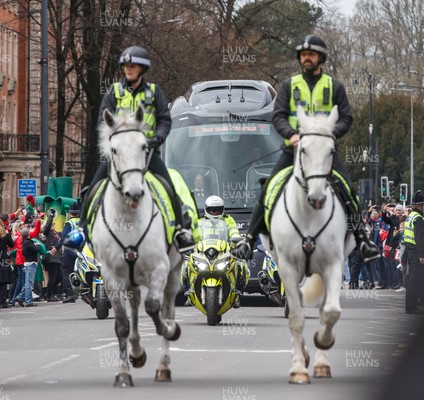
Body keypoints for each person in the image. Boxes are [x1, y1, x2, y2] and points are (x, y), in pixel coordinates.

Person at [234, 35, 379, 262]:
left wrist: (332, 133)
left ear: (320, 57)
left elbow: (346, 117)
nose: (306, 59)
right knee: (269, 187)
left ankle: (362, 239)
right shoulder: (288, 86)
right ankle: (249, 238)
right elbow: (278, 116)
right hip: (294, 150)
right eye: (303, 55)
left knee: (348, 189)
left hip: (322, 151)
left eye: (310, 55)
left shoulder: (334, 87)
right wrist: (290, 134)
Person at [63, 46, 195, 253]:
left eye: (132, 66)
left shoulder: (154, 93)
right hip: (120, 156)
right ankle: (81, 230)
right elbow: (102, 121)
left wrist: (157, 138)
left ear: (142, 69)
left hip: (147, 154)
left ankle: (180, 230)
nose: (128, 70)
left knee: (169, 187)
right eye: (125, 66)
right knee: (91, 188)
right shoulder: (114, 93)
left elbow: (164, 120)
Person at [181, 196, 245, 295]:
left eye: (217, 210)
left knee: (240, 264)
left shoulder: (228, 219)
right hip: (203, 250)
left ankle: (237, 289)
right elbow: (194, 233)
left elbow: (233, 230)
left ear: (222, 210)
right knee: (186, 263)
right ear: (206, 209)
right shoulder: (200, 221)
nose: (215, 213)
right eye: (212, 210)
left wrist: (236, 237)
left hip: (224, 250)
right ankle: (188, 289)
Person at [403, 191, 424, 314]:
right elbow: (420, 238)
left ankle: (418, 302)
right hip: (417, 252)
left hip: (411, 251)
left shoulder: (410, 216)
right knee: (415, 279)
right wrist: (422, 255)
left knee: (417, 278)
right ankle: (411, 306)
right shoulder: (419, 219)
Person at [56, 203, 81, 303]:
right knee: (78, 272)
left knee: (67, 272)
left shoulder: (69, 223)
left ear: (70, 213)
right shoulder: (82, 222)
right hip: (81, 251)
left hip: (69, 251)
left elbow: (64, 237)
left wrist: (57, 247)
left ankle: (71, 294)